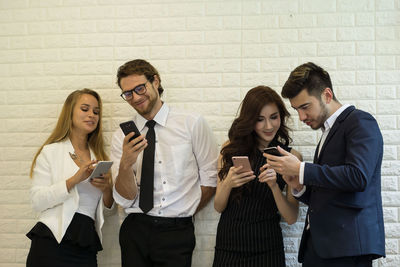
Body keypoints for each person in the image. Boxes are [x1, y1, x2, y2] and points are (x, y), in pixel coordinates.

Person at [265, 62, 385, 267]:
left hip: (346, 248)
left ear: (327, 95)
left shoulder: (360, 121)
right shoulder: (327, 133)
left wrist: (302, 169)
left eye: (305, 107)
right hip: (321, 247)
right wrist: (298, 186)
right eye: (297, 110)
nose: (301, 117)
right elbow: (330, 194)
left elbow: (358, 177)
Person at [110, 59, 219, 267]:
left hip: (177, 232)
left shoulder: (191, 123)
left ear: (155, 82)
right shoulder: (121, 136)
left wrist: (184, 209)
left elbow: (210, 177)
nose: (135, 97)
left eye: (140, 88)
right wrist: (126, 163)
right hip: (135, 230)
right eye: (128, 93)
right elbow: (125, 197)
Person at [213, 86, 301, 267]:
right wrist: (228, 183)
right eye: (260, 120)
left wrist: (274, 187)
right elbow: (219, 206)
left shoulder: (291, 158)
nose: (269, 126)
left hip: (267, 249)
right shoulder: (229, 150)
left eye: (274, 117)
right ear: (250, 120)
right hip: (228, 247)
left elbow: (291, 217)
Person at [26, 89, 114, 267]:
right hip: (52, 241)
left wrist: (106, 190)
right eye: (85, 109)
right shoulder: (51, 152)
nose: (92, 115)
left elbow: (108, 212)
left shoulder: (98, 156)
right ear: (70, 112)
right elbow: (37, 201)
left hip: (86, 241)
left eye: (96, 112)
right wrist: (74, 179)